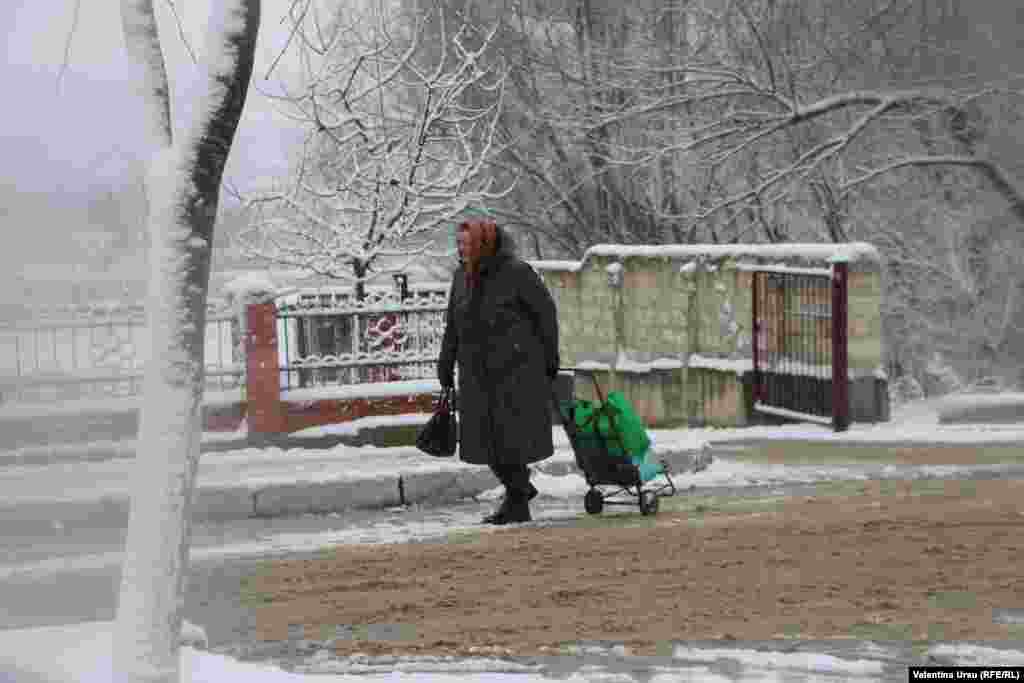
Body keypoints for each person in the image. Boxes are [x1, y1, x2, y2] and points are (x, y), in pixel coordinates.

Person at [437, 217, 560, 524]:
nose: (461, 249)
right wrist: (445, 362)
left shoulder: (517, 272)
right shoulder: (461, 277)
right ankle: (520, 491)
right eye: (459, 243)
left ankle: (517, 502)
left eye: (467, 243)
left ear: (484, 243)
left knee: (509, 441)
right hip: (475, 374)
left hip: (515, 372)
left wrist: (550, 357)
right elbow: (453, 325)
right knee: (483, 441)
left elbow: (545, 314)